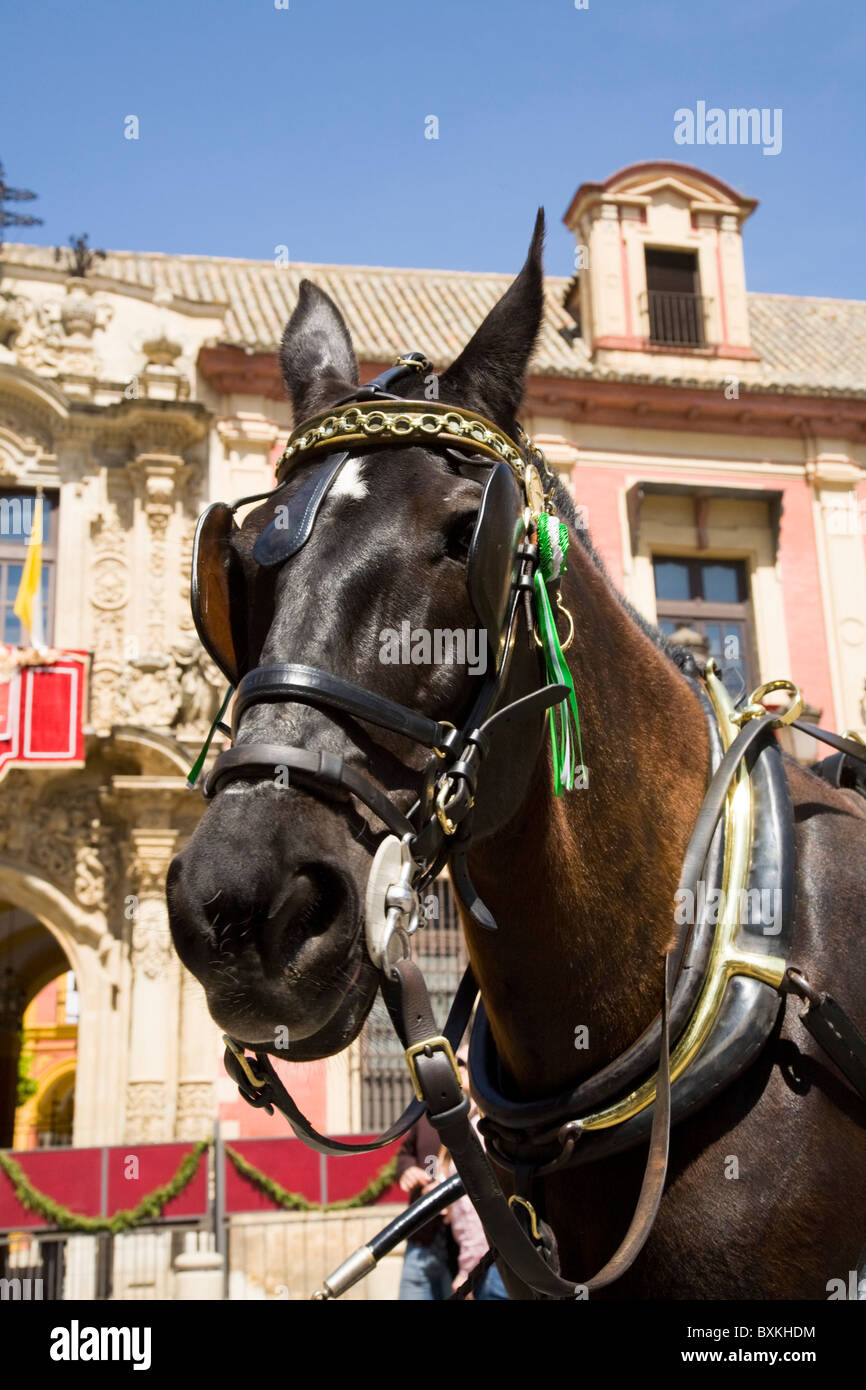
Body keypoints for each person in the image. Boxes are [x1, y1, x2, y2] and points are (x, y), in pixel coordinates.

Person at [395, 1108, 455, 1299]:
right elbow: (405, 1154)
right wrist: (407, 1170)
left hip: (461, 1249)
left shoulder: (481, 1118)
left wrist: (450, 1195)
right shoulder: (424, 1114)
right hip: (420, 1241)